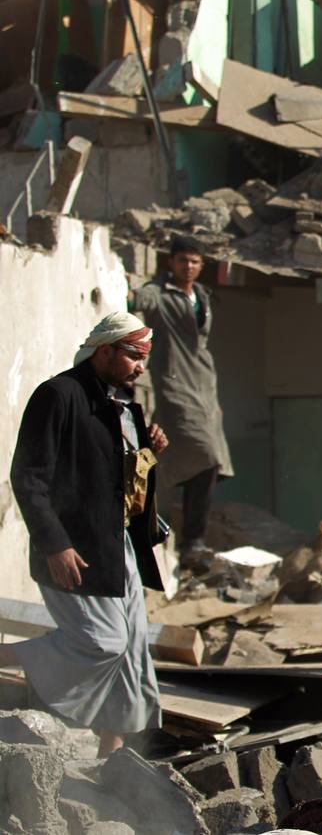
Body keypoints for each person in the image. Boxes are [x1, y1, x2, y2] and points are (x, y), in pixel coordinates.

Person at [5, 312, 170, 757]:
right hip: (75, 548)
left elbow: (119, 478)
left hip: (120, 546)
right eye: (135, 357)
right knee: (101, 642)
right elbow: (28, 477)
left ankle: (110, 761)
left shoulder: (122, 403)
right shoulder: (58, 395)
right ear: (106, 351)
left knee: (132, 655)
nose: (140, 367)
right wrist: (55, 543)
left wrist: (148, 451)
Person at [131, 234, 233, 557]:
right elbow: (139, 301)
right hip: (174, 385)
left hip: (203, 385)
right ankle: (193, 539)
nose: (188, 266)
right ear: (170, 262)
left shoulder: (201, 295)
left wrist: (214, 403)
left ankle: (192, 543)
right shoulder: (160, 293)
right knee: (203, 454)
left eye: (194, 261)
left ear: (201, 265)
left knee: (206, 464)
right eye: (182, 260)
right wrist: (125, 292)